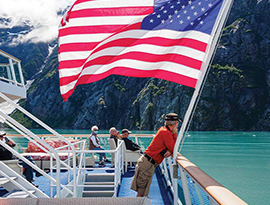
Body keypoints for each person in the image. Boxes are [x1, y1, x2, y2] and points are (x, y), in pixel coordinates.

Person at [130, 113, 181, 197]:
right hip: (147, 164)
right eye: (177, 123)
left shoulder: (163, 130)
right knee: (141, 193)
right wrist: (174, 134)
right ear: (175, 123)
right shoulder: (166, 133)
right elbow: (173, 148)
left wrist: (170, 151)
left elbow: (171, 149)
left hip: (148, 163)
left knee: (143, 192)